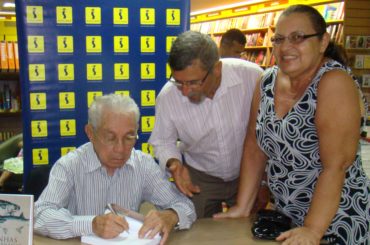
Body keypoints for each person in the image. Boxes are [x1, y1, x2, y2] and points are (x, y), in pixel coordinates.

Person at [214, 4, 370, 245]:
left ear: (323, 41)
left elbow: (335, 166)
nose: (285, 47)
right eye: (279, 39)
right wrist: (243, 206)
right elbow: (254, 146)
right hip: (289, 217)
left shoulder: (334, 83)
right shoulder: (267, 80)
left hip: (335, 220)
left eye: (298, 38)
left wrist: (313, 230)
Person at [34, 94, 196, 244]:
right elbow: (40, 215)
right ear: (90, 133)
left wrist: (170, 216)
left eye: (129, 137)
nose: (120, 149)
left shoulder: (143, 165)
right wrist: (91, 225)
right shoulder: (70, 165)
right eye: (110, 138)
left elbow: (184, 205)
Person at [148, 30, 265, 218]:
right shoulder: (168, 96)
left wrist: (264, 180)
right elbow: (163, 141)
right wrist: (175, 164)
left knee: (247, 229)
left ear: (216, 69)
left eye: (194, 82)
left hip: (247, 173)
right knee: (198, 231)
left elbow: (266, 132)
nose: (185, 91)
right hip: (200, 178)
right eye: (179, 82)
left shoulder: (252, 78)